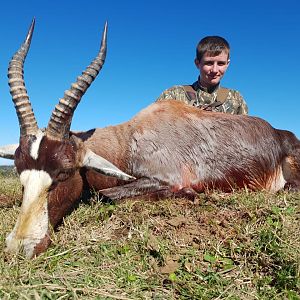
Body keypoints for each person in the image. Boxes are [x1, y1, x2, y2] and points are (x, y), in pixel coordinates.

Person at [156, 36, 248, 114]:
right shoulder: (173, 95)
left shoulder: (236, 99)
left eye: (221, 63)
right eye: (209, 63)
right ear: (197, 63)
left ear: (227, 64)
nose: (215, 70)